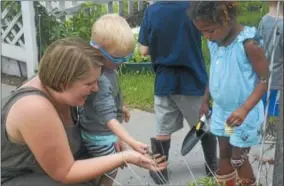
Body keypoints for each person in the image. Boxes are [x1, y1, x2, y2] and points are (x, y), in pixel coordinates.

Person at [1, 37, 167, 186]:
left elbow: (101, 116)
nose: (95, 89)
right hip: (19, 177)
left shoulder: (60, 89)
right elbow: (65, 173)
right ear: (63, 81)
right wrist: (126, 157)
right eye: (89, 84)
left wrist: (113, 137)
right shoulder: (34, 109)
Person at [188, 2, 269, 186]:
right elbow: (216, 73)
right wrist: (205, 99)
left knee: (238, 159)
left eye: (209, 30)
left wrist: (244, 109)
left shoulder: (249, 44)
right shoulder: (216, 43)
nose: (207, 37)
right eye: (203, 32)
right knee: (224, 154)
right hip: (223, 114)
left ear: (226, 19)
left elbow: (265, 80)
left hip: (243, 115)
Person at [138, 1, 218, 184]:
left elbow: (143, 50)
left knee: (163, 128)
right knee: (202, 124)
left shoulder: (151, 12)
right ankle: (212, 165)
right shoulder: (194, 8)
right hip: (193, 79)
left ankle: (160, 170)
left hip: (165, 81)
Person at [77, 14, 149, 186]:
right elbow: (108, 118)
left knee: (111, 167)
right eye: (118, 59)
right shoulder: (99, 78)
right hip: (97, 133)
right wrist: (131, 142)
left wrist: (120, 106)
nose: (122, 63)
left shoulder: (108, 68)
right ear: (97, 51)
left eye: (127, 58)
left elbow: (112, 96)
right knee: (108, 167)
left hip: (104, 130)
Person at [259, 1, 283, 119]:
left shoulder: (263, 20)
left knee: (264, 112)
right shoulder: (282, 25)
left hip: (263, 79)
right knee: (273, 116)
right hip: (278, 81)